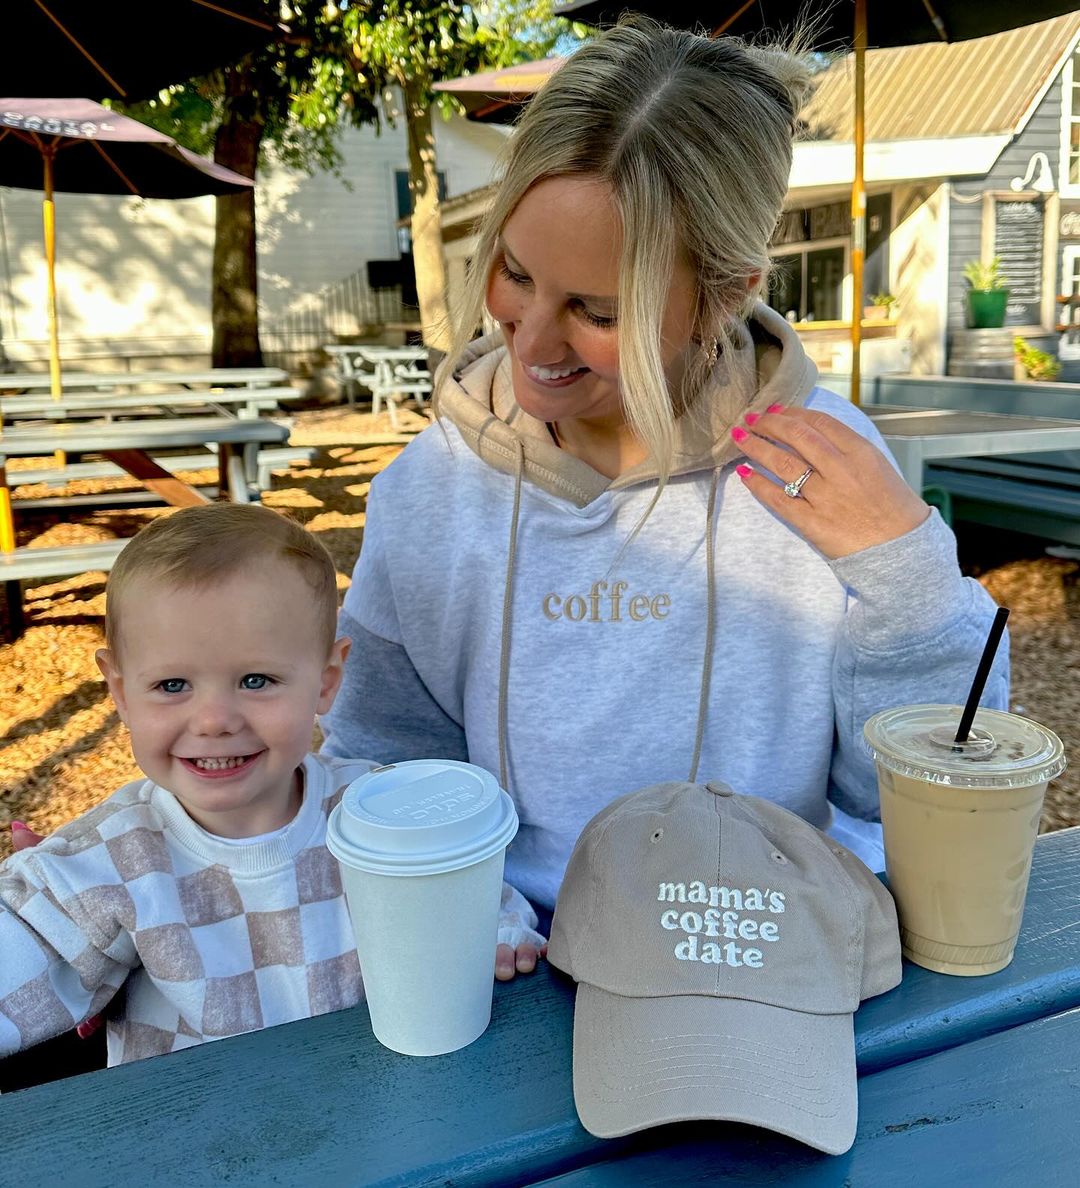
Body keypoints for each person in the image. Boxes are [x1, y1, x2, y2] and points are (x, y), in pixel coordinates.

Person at [320, 18, 1009, 978]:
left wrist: (911, 575)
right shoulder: (430, 489)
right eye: (516, 273)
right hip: (514, 962)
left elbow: (904, 790)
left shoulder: (831, 467)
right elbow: (385, 757)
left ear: (726, 294)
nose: (532, 344)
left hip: (768, 948)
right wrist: (463, 907)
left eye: (601, 312)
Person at [0, 504, 375, 1069]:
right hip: (189, 1141)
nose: (214, 720)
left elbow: (473, 900)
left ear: (325, 682)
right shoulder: (112, 858)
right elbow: (25, 948)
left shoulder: (377, 814)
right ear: (122, 693)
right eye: (172, 684)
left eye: (256, 680)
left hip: (374, 1121)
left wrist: (497, 940)